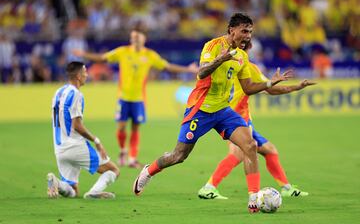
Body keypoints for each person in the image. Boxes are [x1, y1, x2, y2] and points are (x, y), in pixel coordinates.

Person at [132, 13, 293, 213]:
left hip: (223, 111)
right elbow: (202, 72)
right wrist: (221, 59)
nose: (248, 36)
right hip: (201, 109)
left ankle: (253, 197)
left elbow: (248, 87)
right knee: (178, 155)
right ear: (231, 30)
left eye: (250, 32)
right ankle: (149, 171)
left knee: (250, 145)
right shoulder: (213, 46)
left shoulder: (242, 56)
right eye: (244, 31)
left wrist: (270, 82)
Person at [198, 42, 315, 200]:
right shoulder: (248, 66)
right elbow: (270, 89)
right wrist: (295, 87)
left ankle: (286, 187)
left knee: (269, 150)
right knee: (238, 154)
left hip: (239, 116)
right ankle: (209, 187)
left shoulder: (231, 65)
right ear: (249, 49)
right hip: (236, 117)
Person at [73, 25, 198, 168]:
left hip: (139, 99)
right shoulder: (122, 51)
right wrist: (84, 54)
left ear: (144, 39)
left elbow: (167, 66)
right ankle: (122, 151)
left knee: (135, 128)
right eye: (132, 37)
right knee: (121, 128)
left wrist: (188, 69)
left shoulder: (150, 55)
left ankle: (132, 159)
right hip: (123, 97)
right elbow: (102, 58)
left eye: (137, 37)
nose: (134, 40)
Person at [47, 61, 119, 199]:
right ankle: (95, 192)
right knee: (113, 170)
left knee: (73, 191)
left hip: (59, 147)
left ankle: (57, 183)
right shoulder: (76, 94)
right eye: (85, 72)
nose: (87, 74)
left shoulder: (58, 92)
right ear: (79, 76)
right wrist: (96, 141)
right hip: (74, 145)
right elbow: (77, 125)